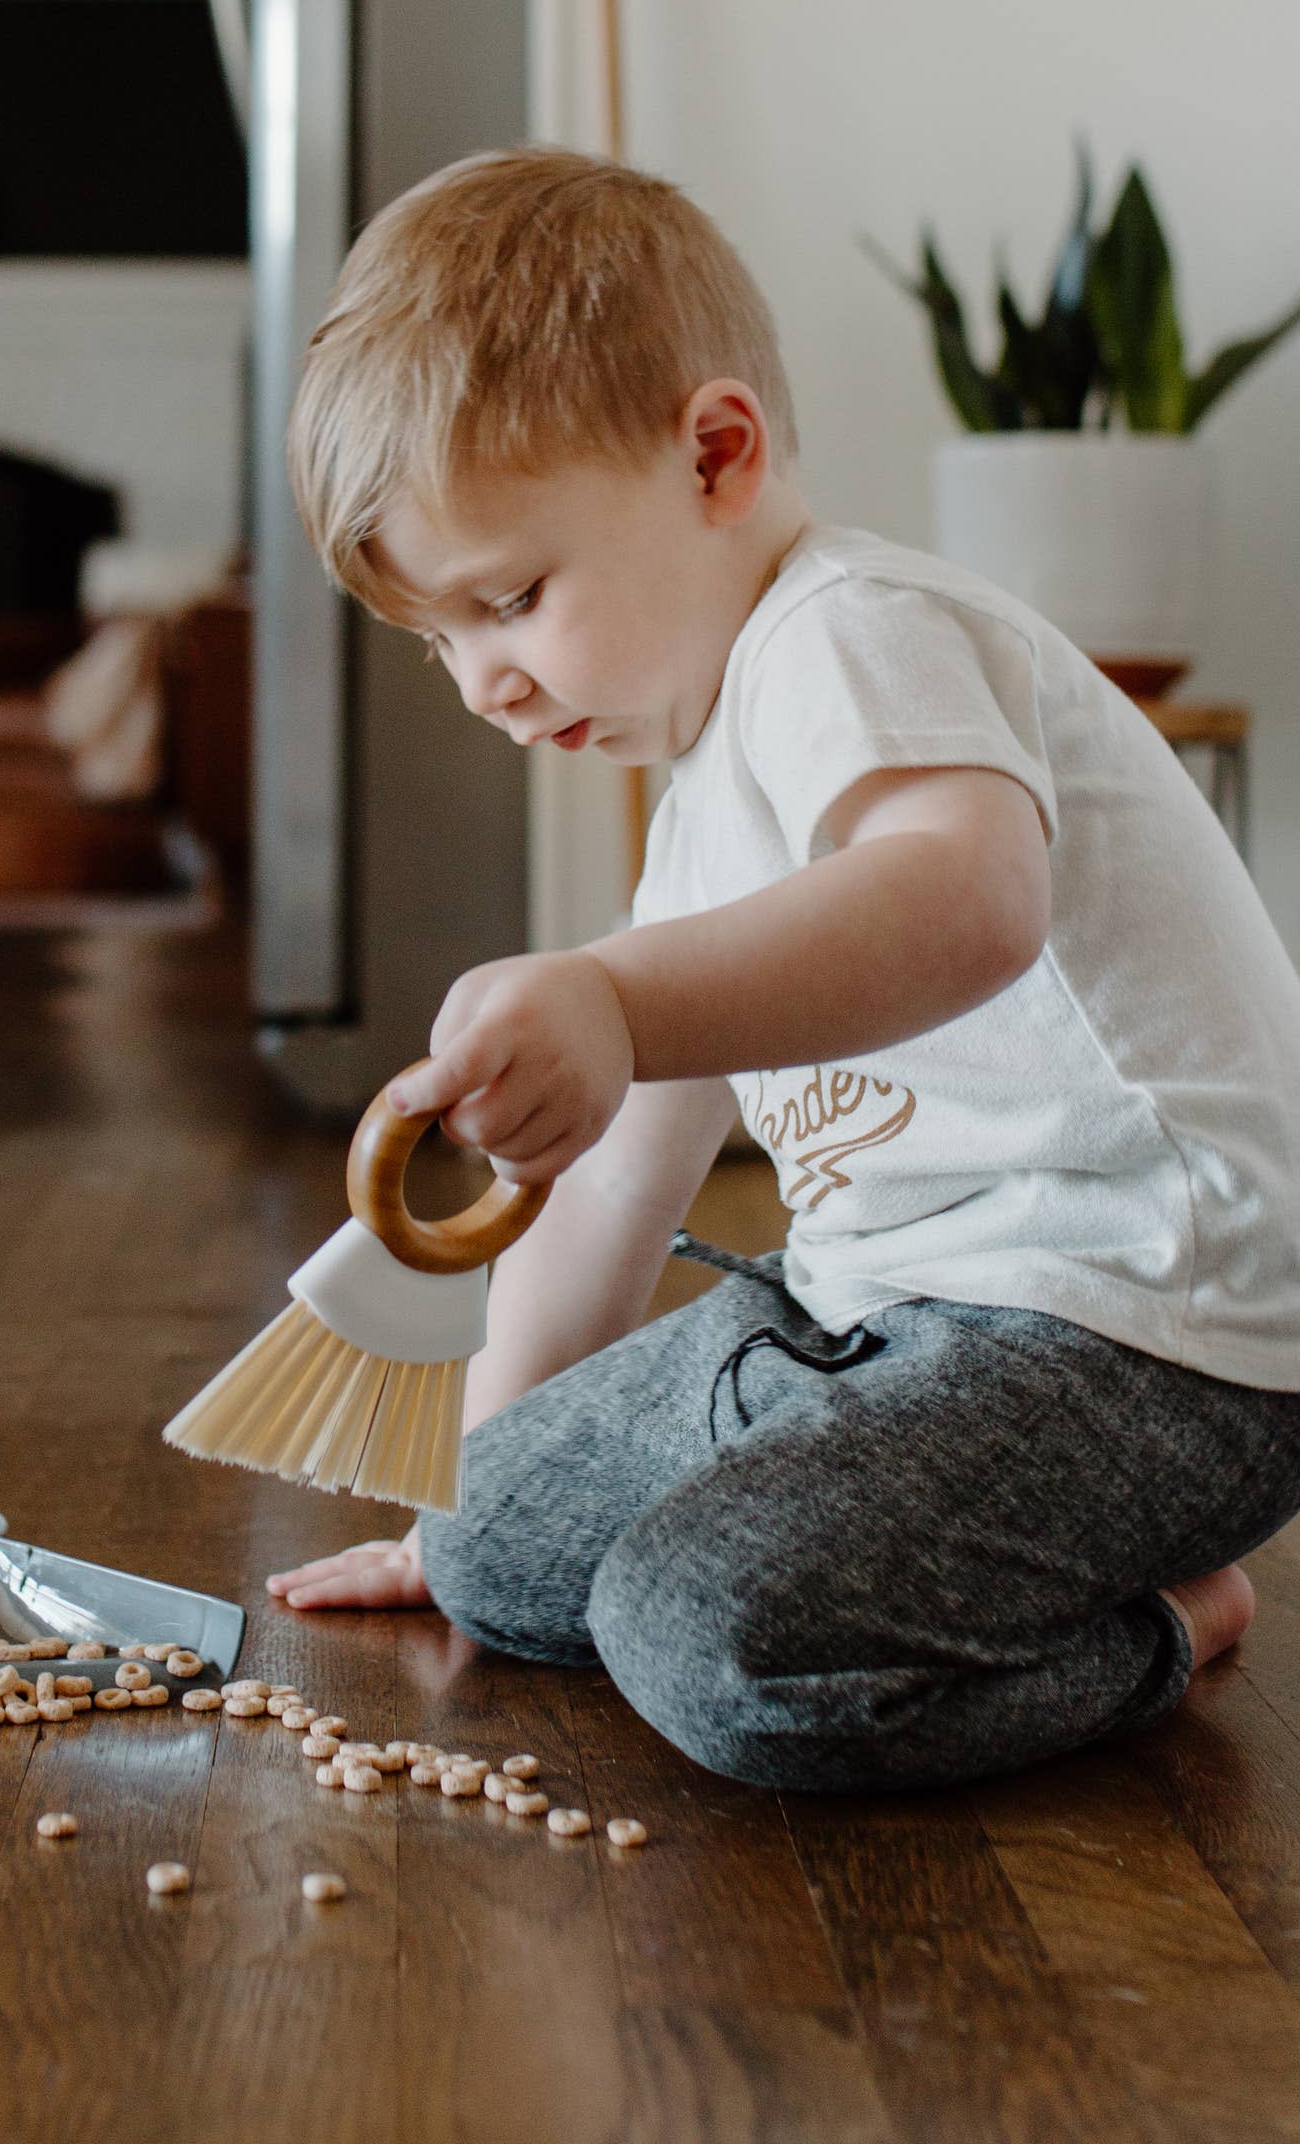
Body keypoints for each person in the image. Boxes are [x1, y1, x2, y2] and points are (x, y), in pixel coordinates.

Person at [264, 146, 1300, 1793]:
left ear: (717, 455)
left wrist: (618, 999)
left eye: (513, 600)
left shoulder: (853, 629)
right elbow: (609, 1192)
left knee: (712, 1643)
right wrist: (475, 1497)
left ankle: (1170, 1618)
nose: (487, 685)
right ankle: (842, 1545)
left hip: (1141, 1332)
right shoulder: (704, 801)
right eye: (443, 640)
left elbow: (971, 902)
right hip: (886, 1322)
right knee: (500, 1553)